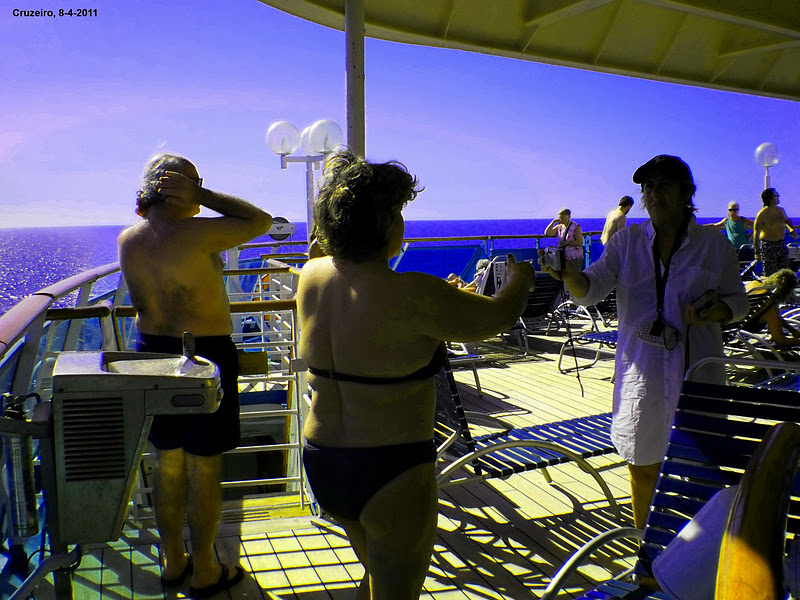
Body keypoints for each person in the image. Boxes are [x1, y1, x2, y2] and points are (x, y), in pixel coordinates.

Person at [296, 149, 534, 599]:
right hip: (391, 468)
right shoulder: (415, 294)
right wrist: (521, 278)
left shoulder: (311, 276)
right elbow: (500, 316)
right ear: (387, 224)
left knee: (376, 576)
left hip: (323, 458)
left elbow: (357, 294)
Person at [539, 154, 747, 530]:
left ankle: (698, 555)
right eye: (648, 187)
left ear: (687, 192)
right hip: (642, 377)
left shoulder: (714, 247)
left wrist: (715, 310)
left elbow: (739, 303)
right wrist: (568, 275)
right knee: (643, 468)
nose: (654, 194)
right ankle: (648, 552)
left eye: (663, 185)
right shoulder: (627, 243)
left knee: (702, 471)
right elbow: (591, 287)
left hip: (698, 376)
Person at [118, 153, 272, 597]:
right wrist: (202, 194)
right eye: (195, 182)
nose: (199, 190)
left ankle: (173, 563)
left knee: (168, 462)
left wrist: (188, 192)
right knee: (204, 465)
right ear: (176, 188)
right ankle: (205, 568)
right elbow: (261, 221)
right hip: (203, 357)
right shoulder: (199, 233)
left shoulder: (128, 239)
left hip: (150, 353)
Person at [743, 269, 800, 346]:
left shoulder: (754, 284)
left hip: (735, 318)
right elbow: (780, 341)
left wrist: (791, 329)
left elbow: (774, 317)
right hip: (747, 326)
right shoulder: (770, 306)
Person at [754, 187, 796, 276]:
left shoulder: (781, 210)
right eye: (776, 195)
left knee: (784, 272)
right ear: (770, 198)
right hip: (768, 246)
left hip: (781, 244)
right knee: (770, 273)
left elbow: (787, 221)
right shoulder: (762, 214)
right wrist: (757, 252)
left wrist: (791, 229)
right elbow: (756, 233)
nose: (778, 196)